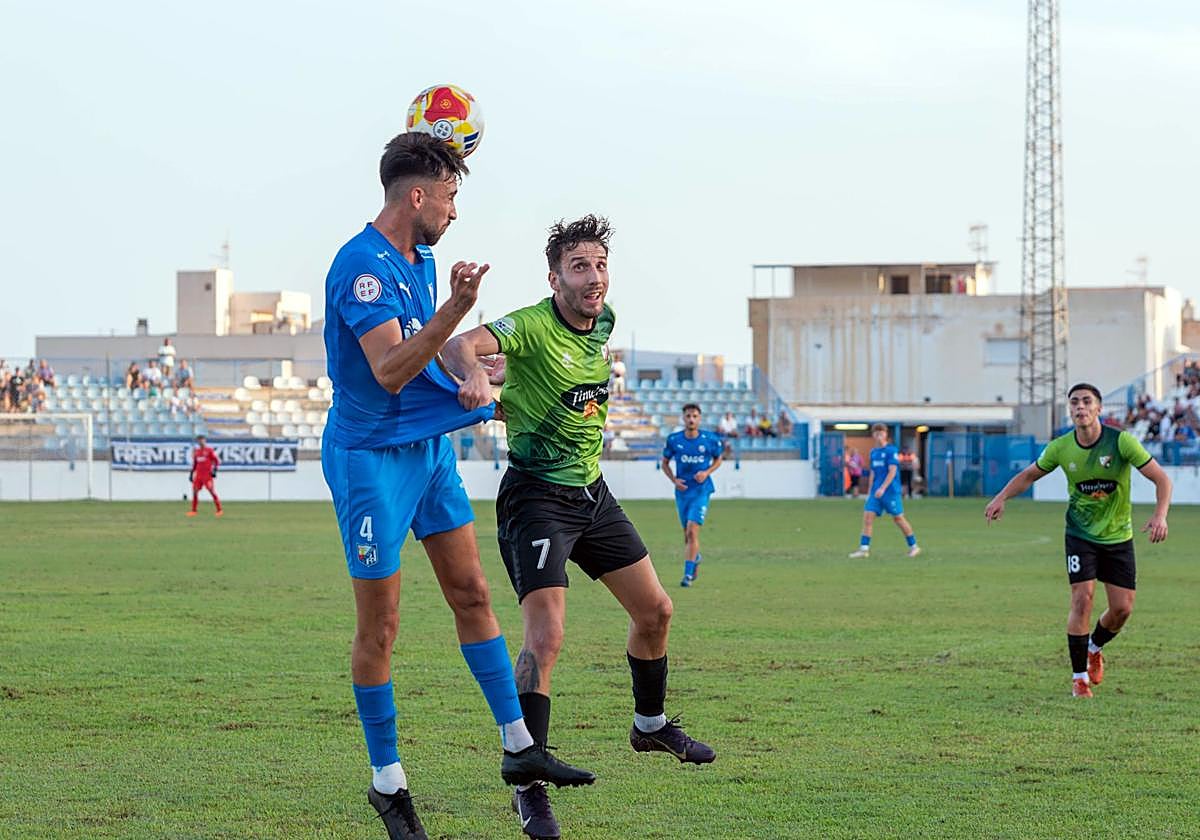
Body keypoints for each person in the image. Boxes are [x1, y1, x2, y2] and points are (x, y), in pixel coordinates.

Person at [319, 132, 590, 840]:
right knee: (381, 627)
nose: (454, 212)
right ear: (418, 196)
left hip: (427, 450)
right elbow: (388, 369)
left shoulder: (423, 256)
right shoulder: (360, 268)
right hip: (371, 461)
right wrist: (458, 308)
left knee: (471, 592)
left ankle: (517, 745)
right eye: (449, 197)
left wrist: (472, 373)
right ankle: (388, 782)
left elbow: (432, 346)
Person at [443, 214, 716, 840]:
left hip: (592, 495)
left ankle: (649, 726)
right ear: (554, 277)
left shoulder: (606, 320)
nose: (593, 279)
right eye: (578, 268)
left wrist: (516, 385)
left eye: (599, 266)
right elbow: (460, 344)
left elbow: (562, 386)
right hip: (536, 498)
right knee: (546, 635)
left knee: (657, 612)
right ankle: (527, 783)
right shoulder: (533, 324)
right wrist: (481, 373)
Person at [985, 383, 1172, 698]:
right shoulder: (1061, 447)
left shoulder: (1121, 442)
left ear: (1099, 408)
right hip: (1080, 535)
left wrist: (1160, 515)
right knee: (1082, 599)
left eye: (1087, 401)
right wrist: (1001, 497)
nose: (1080, 407)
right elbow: (1030, 474)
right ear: (1069, 410)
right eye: (1074, 402)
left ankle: (1094, 647)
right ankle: (1079, 679)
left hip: (1118, 537)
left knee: (1122, 609)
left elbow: (1161, 478)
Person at [661, 403, 726, 587]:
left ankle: (687, 575)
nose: (691, 419)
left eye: (695, 416)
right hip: (683, 492)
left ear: (700, 418)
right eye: (688, 416)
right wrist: (674, 480)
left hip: (701, 491)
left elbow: (719, 458)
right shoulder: (674, 440)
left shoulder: (709, 439)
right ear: (683, 418)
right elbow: (665, 463)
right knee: (687, 535)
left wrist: (706, 472)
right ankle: (695, 557)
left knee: (692, 530)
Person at [848, 424, 920, 559]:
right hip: (876, 492)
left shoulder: (891, 450)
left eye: (881, 432)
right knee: (868, 517)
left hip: (890, 491)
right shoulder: (873, 452)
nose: (878, 435)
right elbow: (873, 473)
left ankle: (914, 546)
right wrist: (870, 491)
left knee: (898, 518)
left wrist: (883, 488)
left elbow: (892, 471)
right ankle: (864, 549)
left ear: (886, 434)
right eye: (876, 433)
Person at [187, 434, 222, 517]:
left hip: (207, 475)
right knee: (194, 491)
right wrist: (191, 474)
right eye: (199, 440)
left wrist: (215, 471)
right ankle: (194, 511)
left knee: (211, 491)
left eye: (202, 440)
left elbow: (216, 461)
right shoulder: (197, 452)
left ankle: (219, 510)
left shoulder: (209, 450)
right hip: (198, 475)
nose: (200, 441)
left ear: (205, 440)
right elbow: (195, 464)